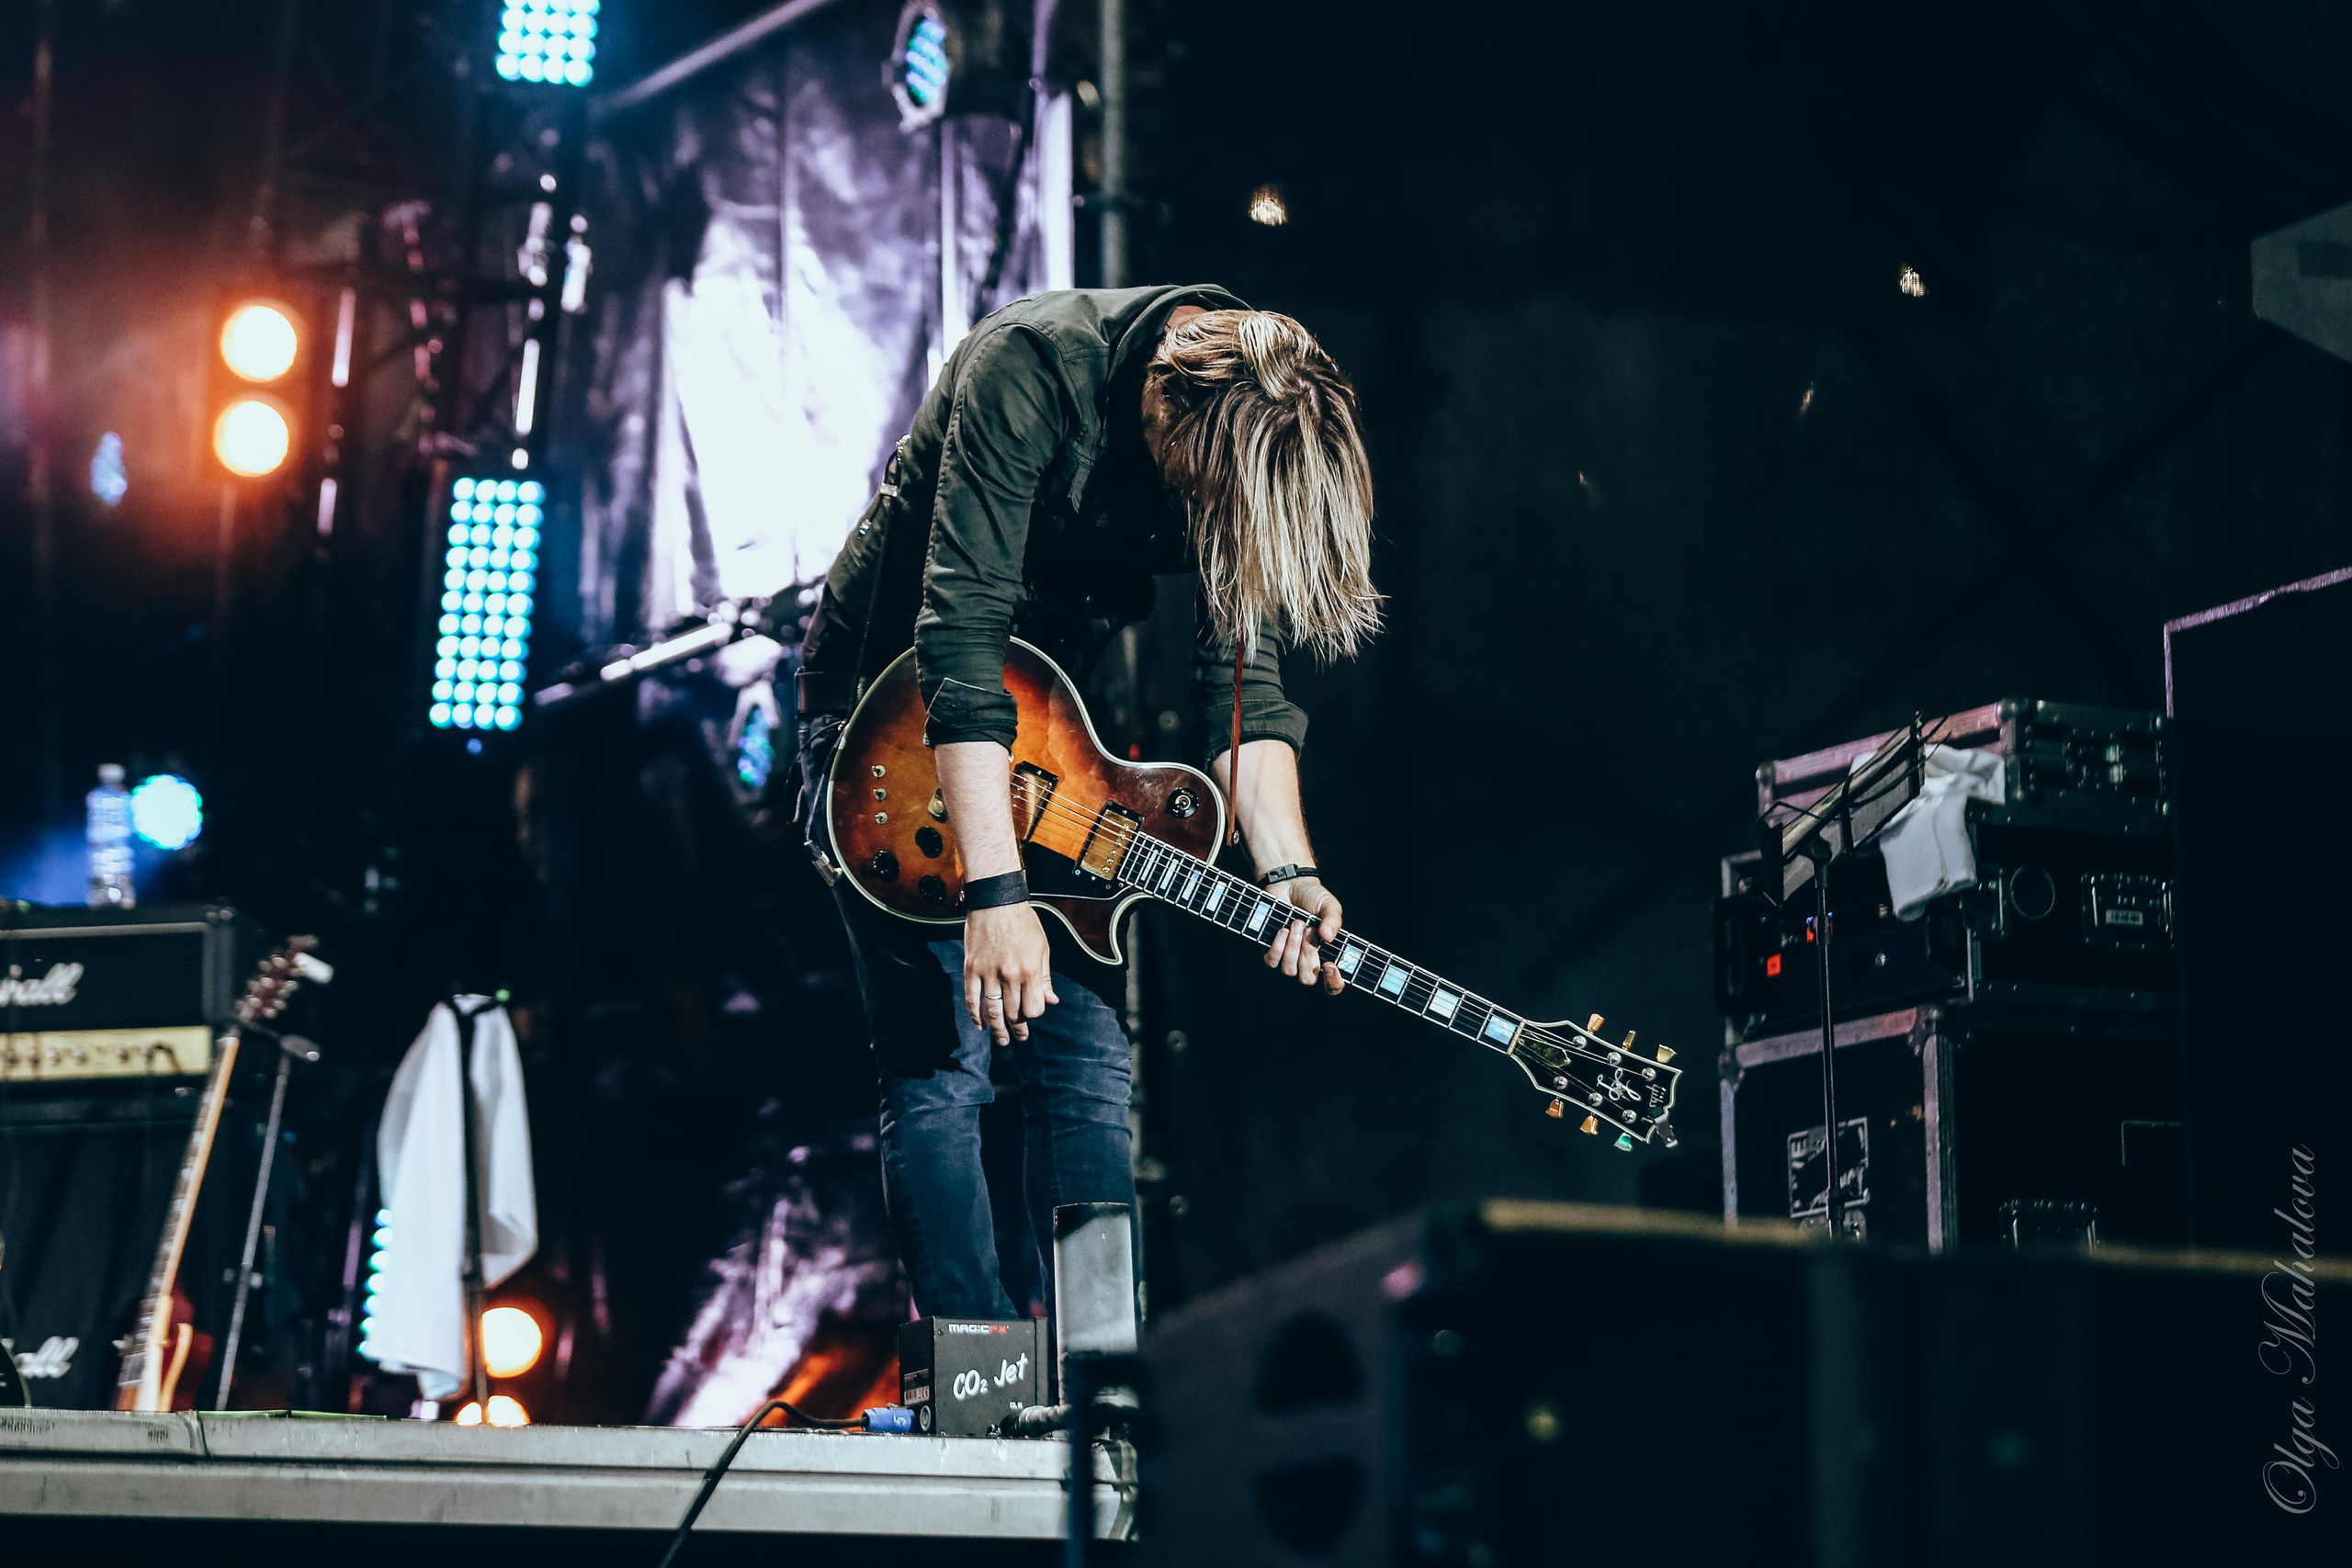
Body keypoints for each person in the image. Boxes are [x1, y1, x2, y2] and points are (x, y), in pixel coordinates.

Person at [795, 286, 1379, 1319]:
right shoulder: (1029, 368)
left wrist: (1289, 870)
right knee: (944, 1063)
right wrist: (993, 893)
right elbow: (959, 647)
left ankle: (1100, 1382)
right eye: (1204, 497)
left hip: (1049, 737)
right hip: (886, 721)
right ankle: (972, 1388)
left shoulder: (1246, 434)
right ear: (1163, 403)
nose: (1208, 520)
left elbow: (1240, 696)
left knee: (1087, 1070)